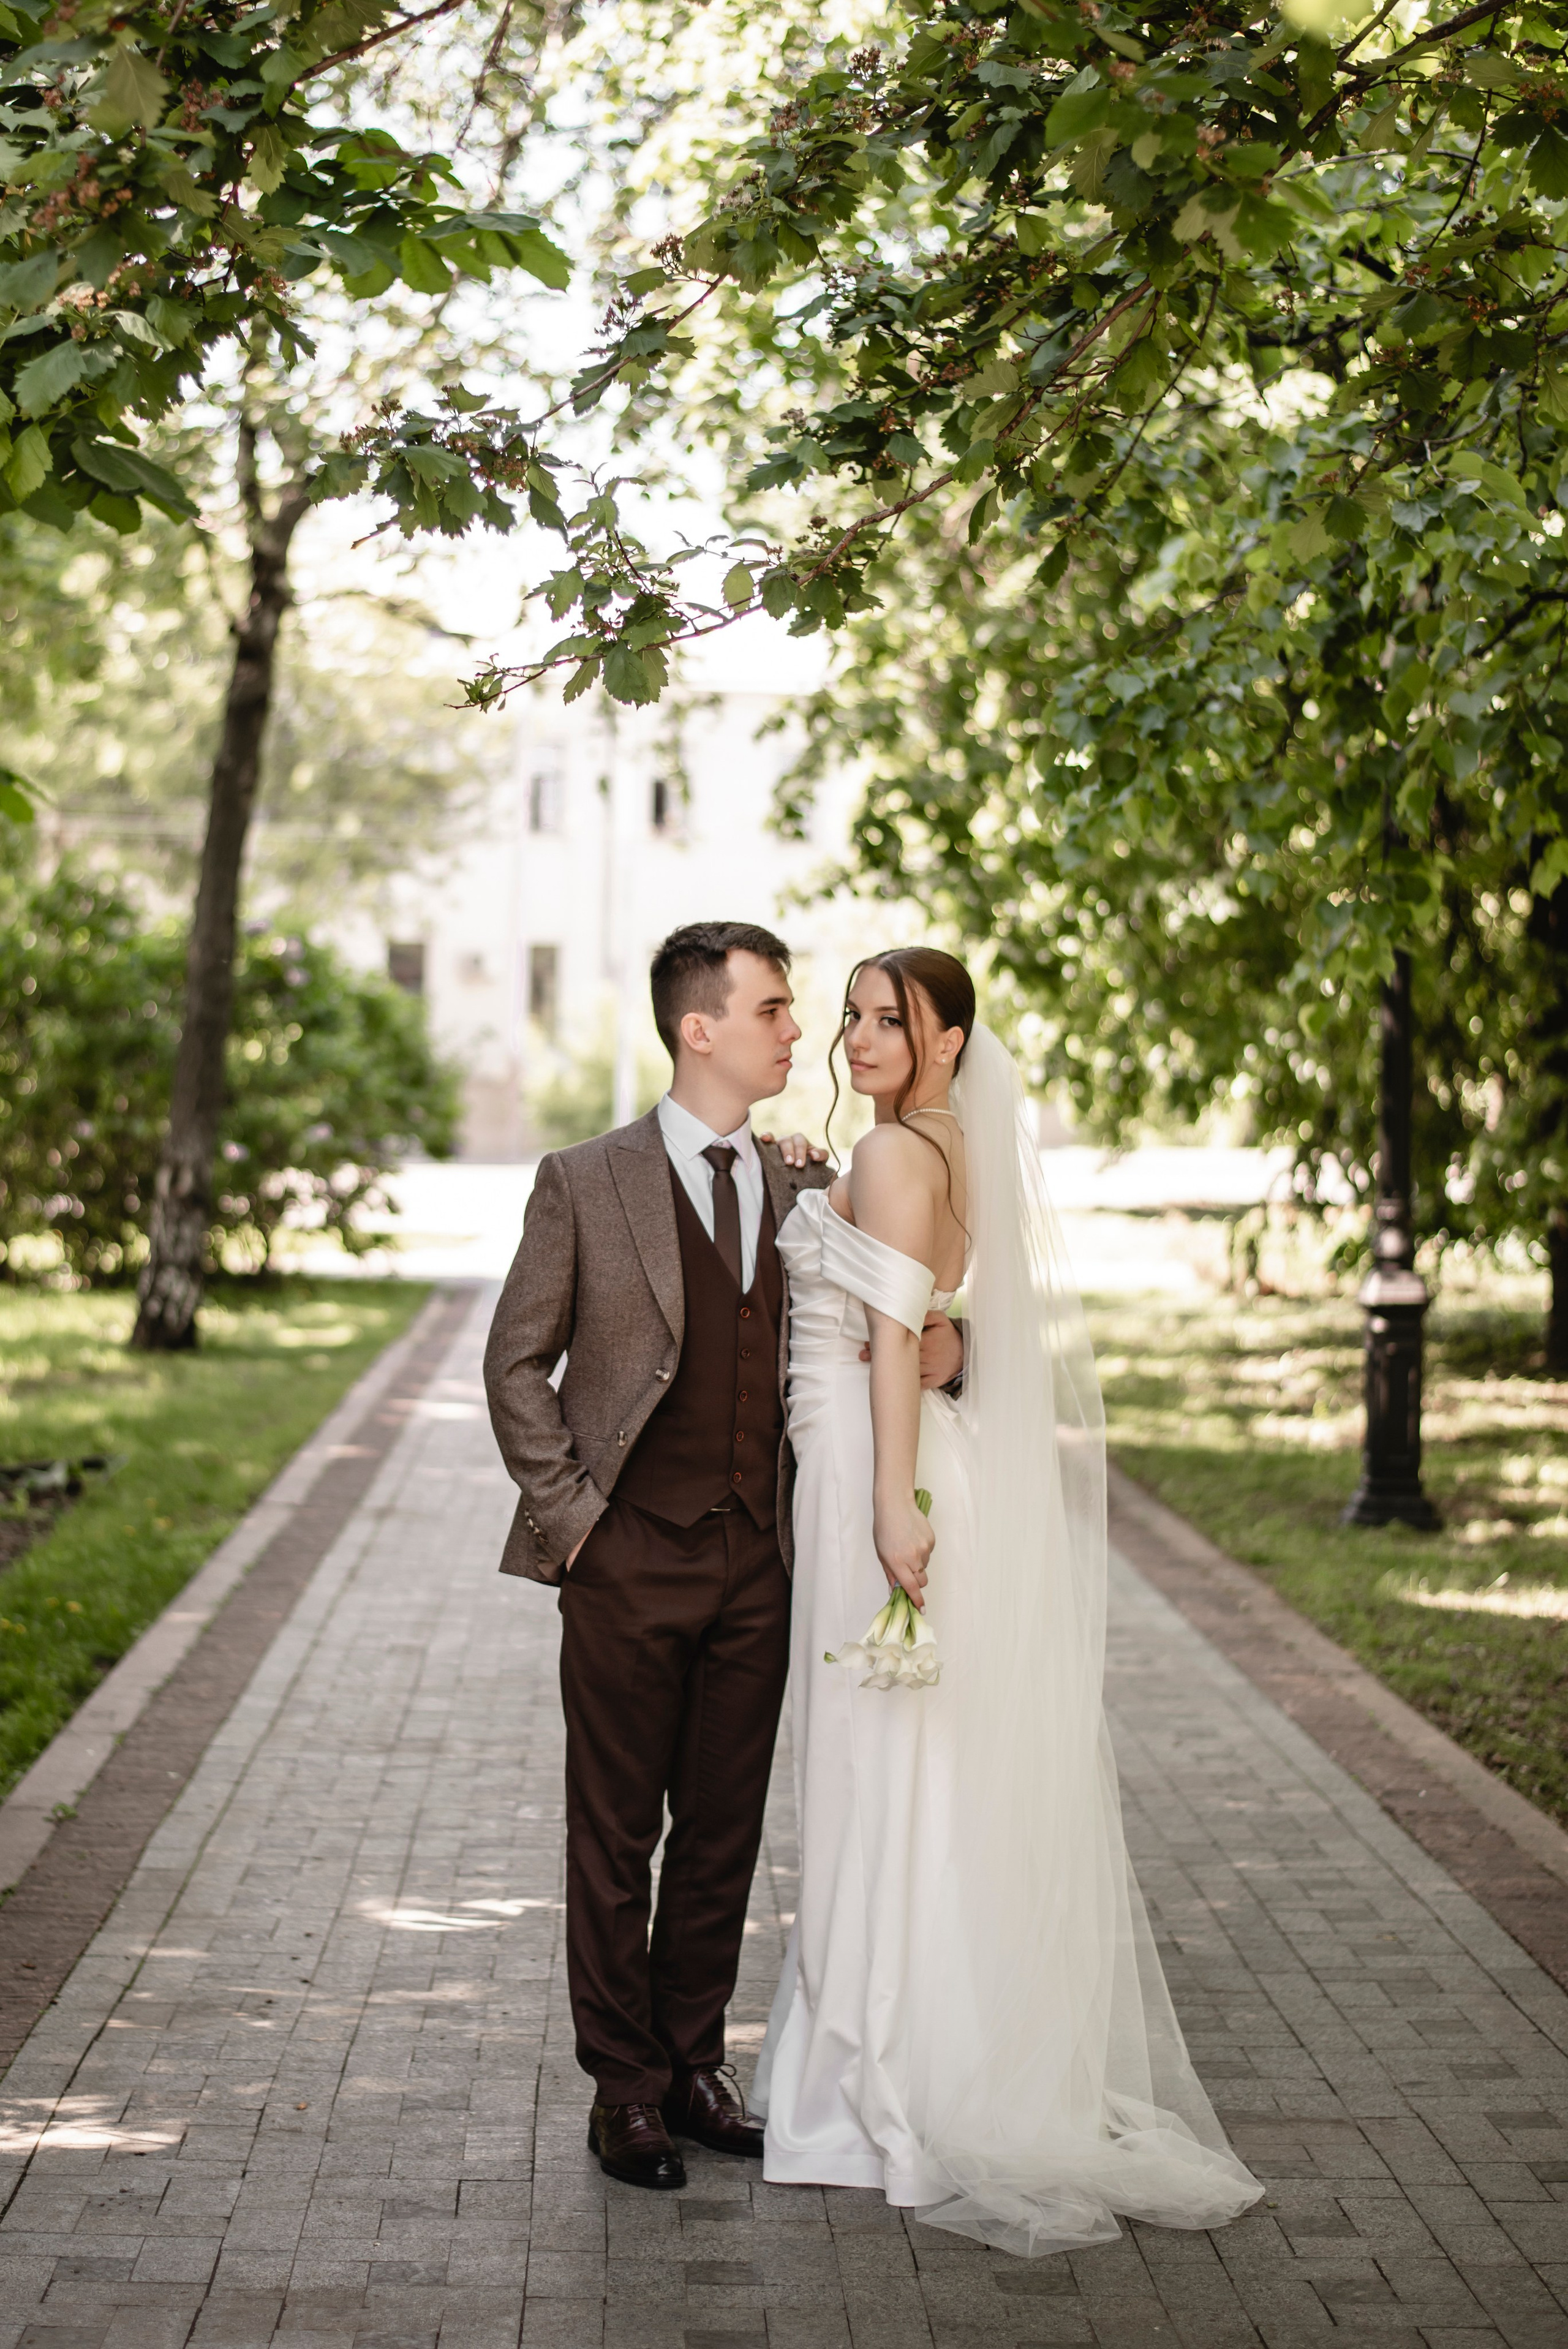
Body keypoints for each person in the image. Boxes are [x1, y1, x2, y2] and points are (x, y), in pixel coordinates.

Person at [753, 947, 1263, 2255]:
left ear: (949, 1043)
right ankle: (935, 2053)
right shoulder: (946, 1151)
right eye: (852, 1016)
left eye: (892, 1020)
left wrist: (887, 1501)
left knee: (871, 1768)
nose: (859, 1038)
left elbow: (888, 1344)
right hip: (911, 1454)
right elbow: (930, 1319)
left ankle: (871, 2086)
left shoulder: (891, 1153)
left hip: (873, 1463)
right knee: (912, 1769)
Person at [483, 922, 964, 2193]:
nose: (800, 1032)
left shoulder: (806, 1182)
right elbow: (514, 1365)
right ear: (699, 1030)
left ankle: (695, 2065)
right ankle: (624, 2089)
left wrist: (956, 1348)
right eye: (772, 1010)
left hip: (763, 1560)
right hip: (626, 1557)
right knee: (612, 1835)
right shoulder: (585, 1180)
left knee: (723, 1830)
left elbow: (908, 1307)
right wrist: (579, 1526)